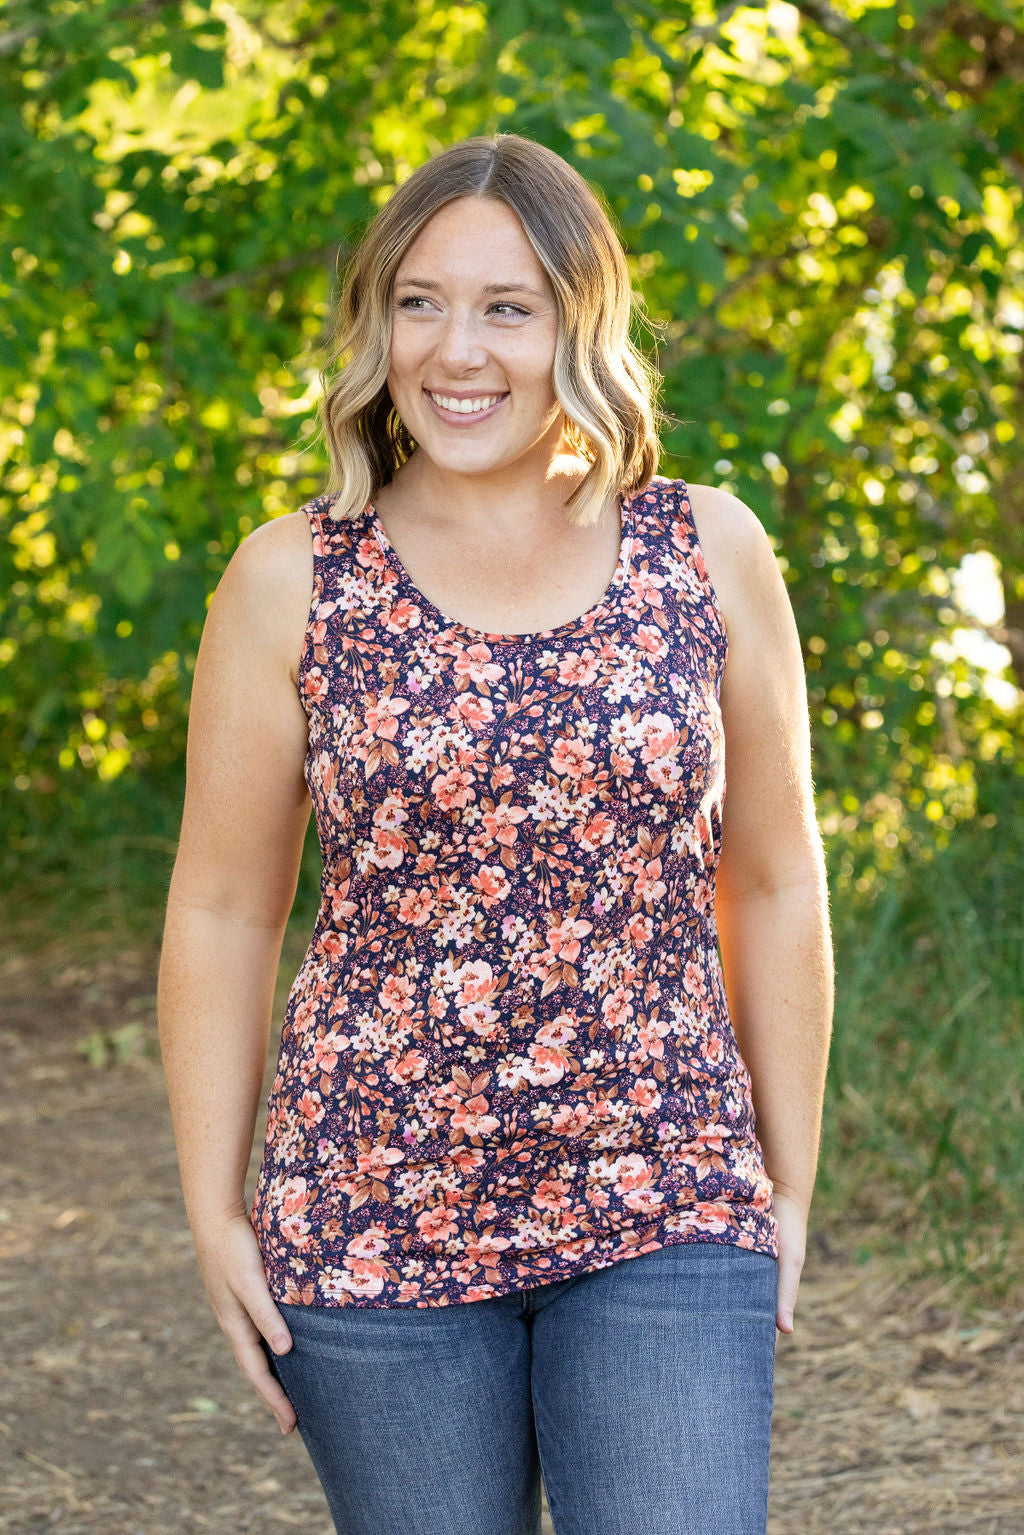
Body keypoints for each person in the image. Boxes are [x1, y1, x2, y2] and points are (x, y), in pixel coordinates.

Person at [157, 132, 833, 1535]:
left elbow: (772, 881)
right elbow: (224, 908)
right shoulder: (295, 578)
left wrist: (786, 1179)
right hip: (370, 1206)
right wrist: (213, 1210)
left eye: (507, 307)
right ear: (375, 324)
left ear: (579, 322)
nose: (456, 349)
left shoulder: (706, 551)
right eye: (420, 301)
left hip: (664, 1189)